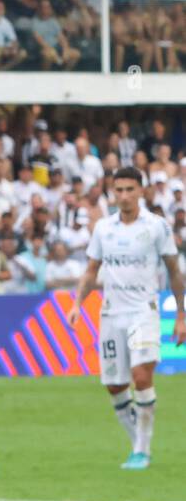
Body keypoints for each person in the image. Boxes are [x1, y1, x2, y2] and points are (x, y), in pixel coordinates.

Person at [69, 167, 186, 470]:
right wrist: (77, 304)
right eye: (118, 190)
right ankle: (138, 443)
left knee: (141, 376)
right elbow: (91, 270)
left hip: (143, 311)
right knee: (115, 386)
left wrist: (181, 315)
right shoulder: (103, 228)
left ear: (142, 191)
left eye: (129, 189)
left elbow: (174, 271)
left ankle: (142, 451)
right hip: (111, 314)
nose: (123, 196)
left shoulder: (157, 226)